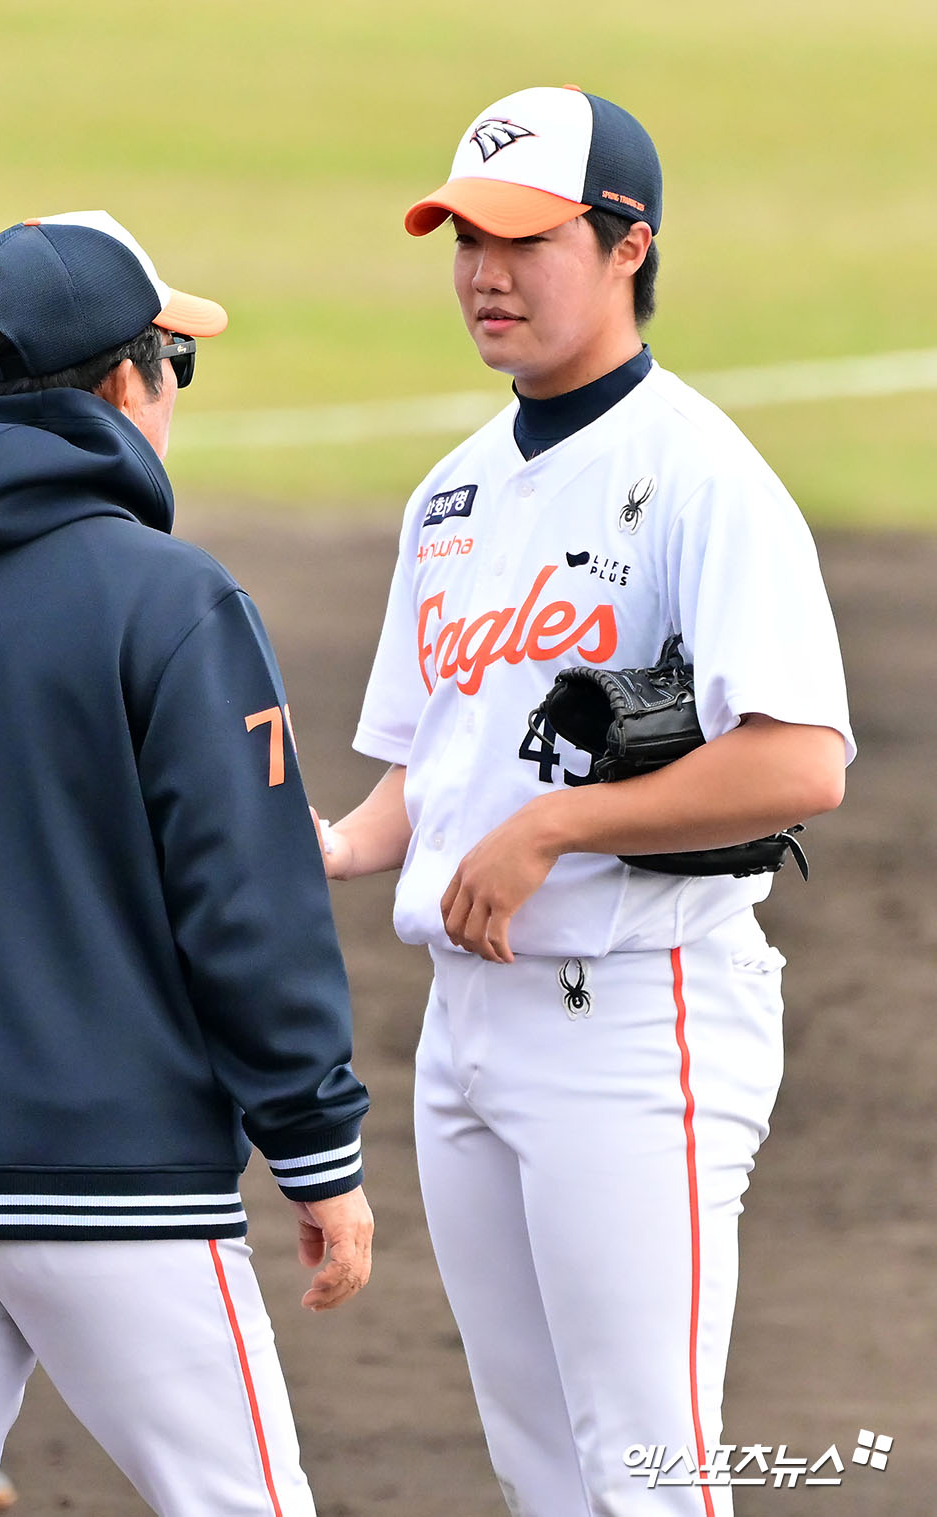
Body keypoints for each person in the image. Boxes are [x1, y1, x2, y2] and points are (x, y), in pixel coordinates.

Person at [0, 209, 373, 1517]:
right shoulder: (172, 600)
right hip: (111, 1177)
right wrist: (319, 1151)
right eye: (174, 362)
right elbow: (251, 904)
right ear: (125, 384)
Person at [319, 87, 852, 1516]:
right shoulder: (451, 493)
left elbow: (804, 760)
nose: (484, 272)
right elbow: (421, 778)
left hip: (635, 1018)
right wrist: (312, 850)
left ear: (628, 244)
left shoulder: (701, 475)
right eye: (462, 238)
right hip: (466, 1034)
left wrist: (554, 824)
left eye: (523, 237)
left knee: (646, 1464)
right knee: (539, 1464)